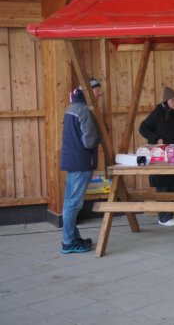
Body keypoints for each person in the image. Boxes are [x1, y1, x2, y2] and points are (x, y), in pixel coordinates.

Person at [59, 77, 102, 254]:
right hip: (80, 163)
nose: (100, 94)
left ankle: (73, 237)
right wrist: (100, 134)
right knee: (73, 204)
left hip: (73, 161)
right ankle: (69, 242)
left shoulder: (72, 108)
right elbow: (89, 141)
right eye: (97, 91)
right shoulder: (83, 110)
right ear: (88, 92)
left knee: (71, 202)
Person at [139, 86, 174, 226]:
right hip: (160, 155)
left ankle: (169, 214)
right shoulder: (157, 112)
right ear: (166, 100)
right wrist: (156, 138)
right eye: (172, 100)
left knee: (173, 185)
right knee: (163, 185)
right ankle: (163, 217)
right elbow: (143, 128)